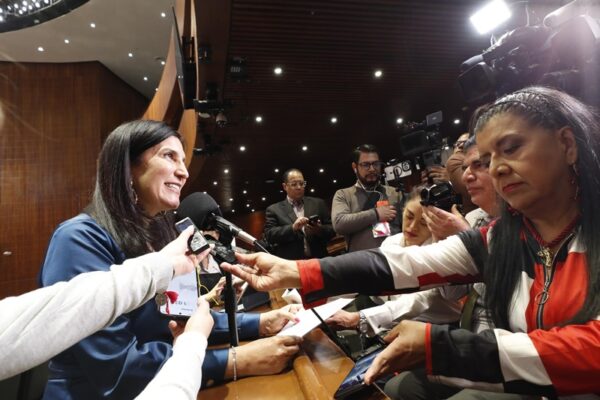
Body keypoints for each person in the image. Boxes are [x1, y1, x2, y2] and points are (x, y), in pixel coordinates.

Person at [222, 87, 600, 398]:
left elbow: (590, 351)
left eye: (512, 148)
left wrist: (440, 347)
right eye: (488, 158)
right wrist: (295, 270)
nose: (498, 168)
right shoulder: (504, 235)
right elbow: (407, 264)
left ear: (567, 144)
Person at [39, 120, 300, 399]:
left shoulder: (162, 236)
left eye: (183, 161)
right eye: (169, 156)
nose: (184, 172)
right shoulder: (78, 240)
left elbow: (184, 319)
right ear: (127, 167)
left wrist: (261, 323)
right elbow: (118, 369)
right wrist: (236, 361)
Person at [0, 227, 208, 381]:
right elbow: (117, 368)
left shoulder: (154, 241)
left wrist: (167, 265)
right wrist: (205, 354)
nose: (183, 178)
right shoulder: (78, 236)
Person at [327, 187, 462, 335]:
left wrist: (361, 318)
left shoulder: (438, 250)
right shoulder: (391, 242)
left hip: (440, 328)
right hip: (396, 322)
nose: (412, 227)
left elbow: (418, 300)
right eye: (409, 216)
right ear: (402, 211)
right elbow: (368, 276)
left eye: (423, 223)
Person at [331, 144, 403, 252]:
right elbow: (339, 224)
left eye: (376, 164)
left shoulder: (395, 193)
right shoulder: (343, 194)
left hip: (394, 256)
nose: (372, 169)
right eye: (366, 165)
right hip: (362, 259)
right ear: (355, 167)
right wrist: (376, 214)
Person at [264, 168, 335, 259]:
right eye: (294, 184)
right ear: (285, 186)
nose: (299, 187)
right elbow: (269, 235)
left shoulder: (318, 203)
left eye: (301, 183)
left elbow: (333, 229)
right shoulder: (274, 209)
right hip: (292, 263)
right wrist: (292, 228)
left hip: (319, 259)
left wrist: (319, 230)